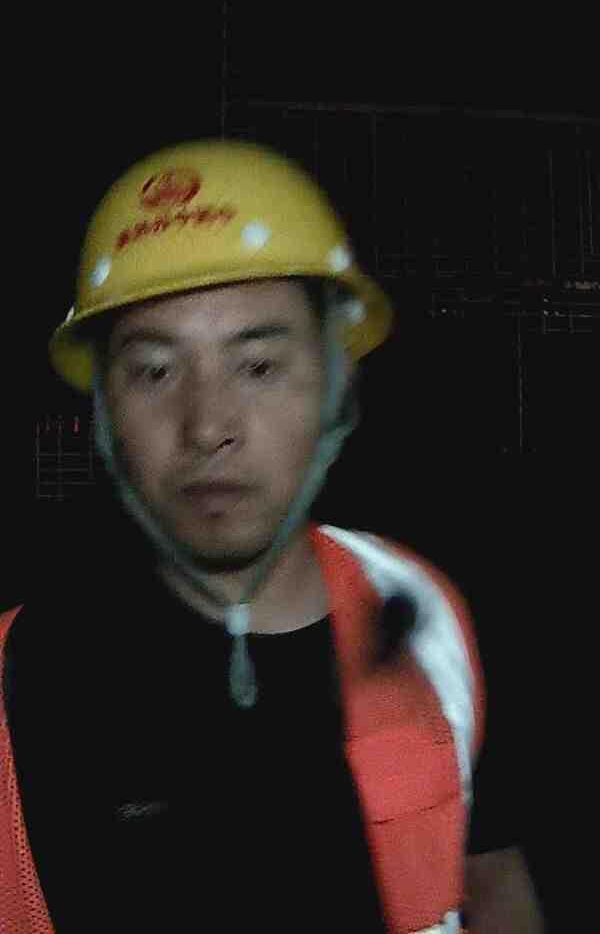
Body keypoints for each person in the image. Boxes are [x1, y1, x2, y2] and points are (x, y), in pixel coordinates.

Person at [1, 141, 545, 932]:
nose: (207, 427)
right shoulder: (21, 685)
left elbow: (493, 883)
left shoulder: (432, 618)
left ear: (335, 386)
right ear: (105, 415)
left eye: (257, 367)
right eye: (154, 371)